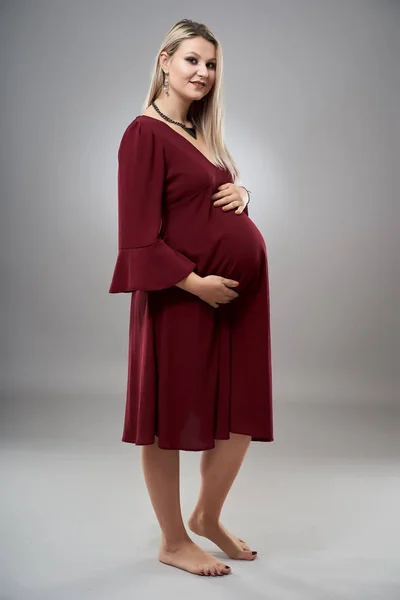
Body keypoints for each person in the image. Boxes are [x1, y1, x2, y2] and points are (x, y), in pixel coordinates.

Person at [109, 19, 273, 577]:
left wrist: (243, 191)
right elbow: (137, 236)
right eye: (192, 61)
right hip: (180, 296)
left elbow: (210, 204)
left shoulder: (202, 135)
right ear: (164, 61)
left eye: (210, 65)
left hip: (234, 304)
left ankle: (207, 516)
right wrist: (195, 284)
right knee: (168, 418)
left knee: (240, 413)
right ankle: (173, 539)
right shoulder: (142, 134)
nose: (203, 73)